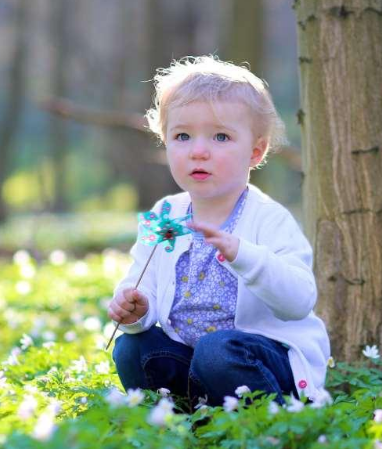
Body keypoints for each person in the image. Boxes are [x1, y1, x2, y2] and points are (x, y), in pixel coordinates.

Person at [107, 56, 330, 409]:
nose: (198, 151)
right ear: (165, 142)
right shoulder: (165, 215)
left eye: (221, 136)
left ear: (255, 151)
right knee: (132, 348)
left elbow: (300, 300)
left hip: (255, 363)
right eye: (182, 135)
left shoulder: (269, 219)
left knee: (217, 350)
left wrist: (244, 255)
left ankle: (263, 416)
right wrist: (135, 308)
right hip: (191, 362)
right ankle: (183, 412)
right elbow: (142, 280)